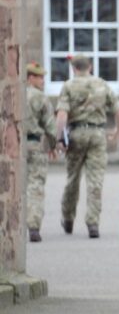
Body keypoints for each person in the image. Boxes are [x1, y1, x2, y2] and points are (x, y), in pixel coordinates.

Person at [55, 54, 119, 238]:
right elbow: (118, 110)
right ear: (90, 67)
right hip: (98, 134)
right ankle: (93, 224)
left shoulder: (68, 86)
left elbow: (62, 115)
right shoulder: (102, 84)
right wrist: (117, 130)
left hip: (76, 134)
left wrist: (59, 138)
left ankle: (68, 219)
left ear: (73, 68)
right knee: (96, 181)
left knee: (72, 179)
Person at [23, 62, 57, 243]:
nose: (43, 80)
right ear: (29, 78)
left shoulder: (11, 93)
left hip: (14, 146)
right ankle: (33, 227)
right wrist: (53, 146)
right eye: (39, 77)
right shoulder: (40, 98)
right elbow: (51, 126)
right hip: (35, 145)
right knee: (35, 186)